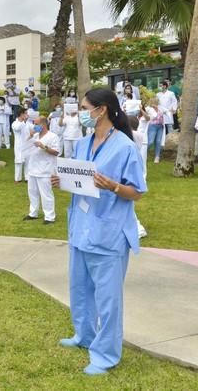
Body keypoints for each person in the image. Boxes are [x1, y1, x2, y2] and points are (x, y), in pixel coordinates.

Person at [52, 88, 146, 375]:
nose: (80, 113)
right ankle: (84, 335)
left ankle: (105, 355)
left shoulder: (125, 147)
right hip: (81, 228)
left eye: (84, 107)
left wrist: (114, 187)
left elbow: (137, 192)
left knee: (108, 299)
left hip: (109, 233)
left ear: (101, 109)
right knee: (79, 289)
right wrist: (62, 180)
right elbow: (79, 181)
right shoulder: (82, 144)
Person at [23, 117, 60, 224]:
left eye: (36, 124)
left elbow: (57, 152)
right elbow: (24, 145)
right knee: (32, 192)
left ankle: (49, 216)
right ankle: (33, 213)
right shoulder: (34, 135)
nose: (34, 126)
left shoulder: (53, 136)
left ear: (43, 124)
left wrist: (44, 147)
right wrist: (30, 135)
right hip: (32, 168)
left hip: (45, 170)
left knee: (46, 194)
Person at [127, 116, 148, 238]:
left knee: (127, 204)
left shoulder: (136, 135)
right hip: (134, 172)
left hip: (133, 173)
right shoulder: (136, 135)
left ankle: (138, 229)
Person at [11, 109, 33, 183]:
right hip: (19, 146)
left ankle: (27, 178)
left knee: (28, 162)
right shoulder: (15, 123)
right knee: (19, 162)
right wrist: (24, 121)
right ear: (21, 114)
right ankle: (17, 179)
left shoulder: (28, 123)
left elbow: (34, 128)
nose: (27, 115)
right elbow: (18, 128)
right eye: (25, 113)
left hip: (27, 145)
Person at [145, 98, 164, 164]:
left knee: (158, 141)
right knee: (150, 141)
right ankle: (144, 153)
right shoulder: (148, 108)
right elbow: (151, 116)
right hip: (152, 126)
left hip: (160, 126)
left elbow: (164, 113)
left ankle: (157, 157)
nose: (157, 103)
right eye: (157, 102)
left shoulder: (160, 108)